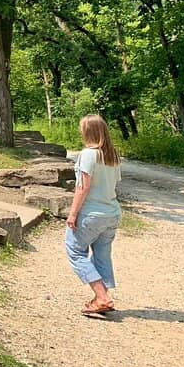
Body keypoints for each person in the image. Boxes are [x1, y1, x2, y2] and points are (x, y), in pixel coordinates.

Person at [65, 113, 122, 316]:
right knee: (102, 255)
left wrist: (73, 214)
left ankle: (102, 296)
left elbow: (83, 187)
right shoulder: (112, 155)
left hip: (92, 213)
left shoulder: (88, 154)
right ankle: (103, 299)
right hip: (112, 213)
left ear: (87, 132)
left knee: (75, 250)